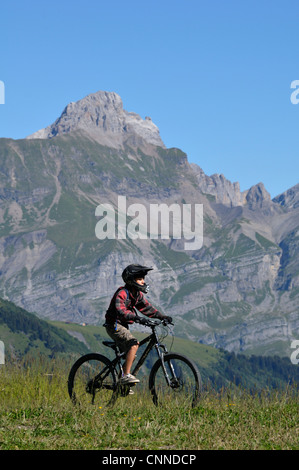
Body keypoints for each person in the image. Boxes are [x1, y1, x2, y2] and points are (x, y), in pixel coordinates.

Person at [104, 264, 172, 385]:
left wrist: (162, 317)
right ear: (131, 280)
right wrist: (137, 318)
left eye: (143, 279)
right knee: (134, 344)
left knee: (132, 354)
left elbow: (146, 308)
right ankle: (125, 376)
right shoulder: (122, 293)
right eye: (140, 279)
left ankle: (121, 383)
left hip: (123, 326)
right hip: (114, 325)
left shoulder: (137, 295)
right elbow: (121, 311)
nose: (143, 281)